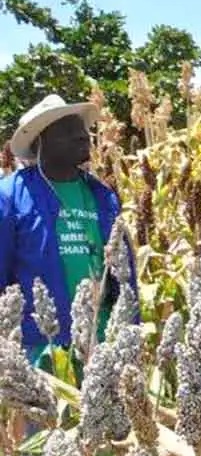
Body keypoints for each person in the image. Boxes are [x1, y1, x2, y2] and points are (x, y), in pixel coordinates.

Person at [0, 94, 137, 362]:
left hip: (104, 342)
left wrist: (130, 329)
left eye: (82, 129)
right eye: (67, 130)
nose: (82, 136)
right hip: (42, 349)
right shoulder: (10, 197)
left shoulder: (103, 195)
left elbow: (124, 272)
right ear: (42, 141)